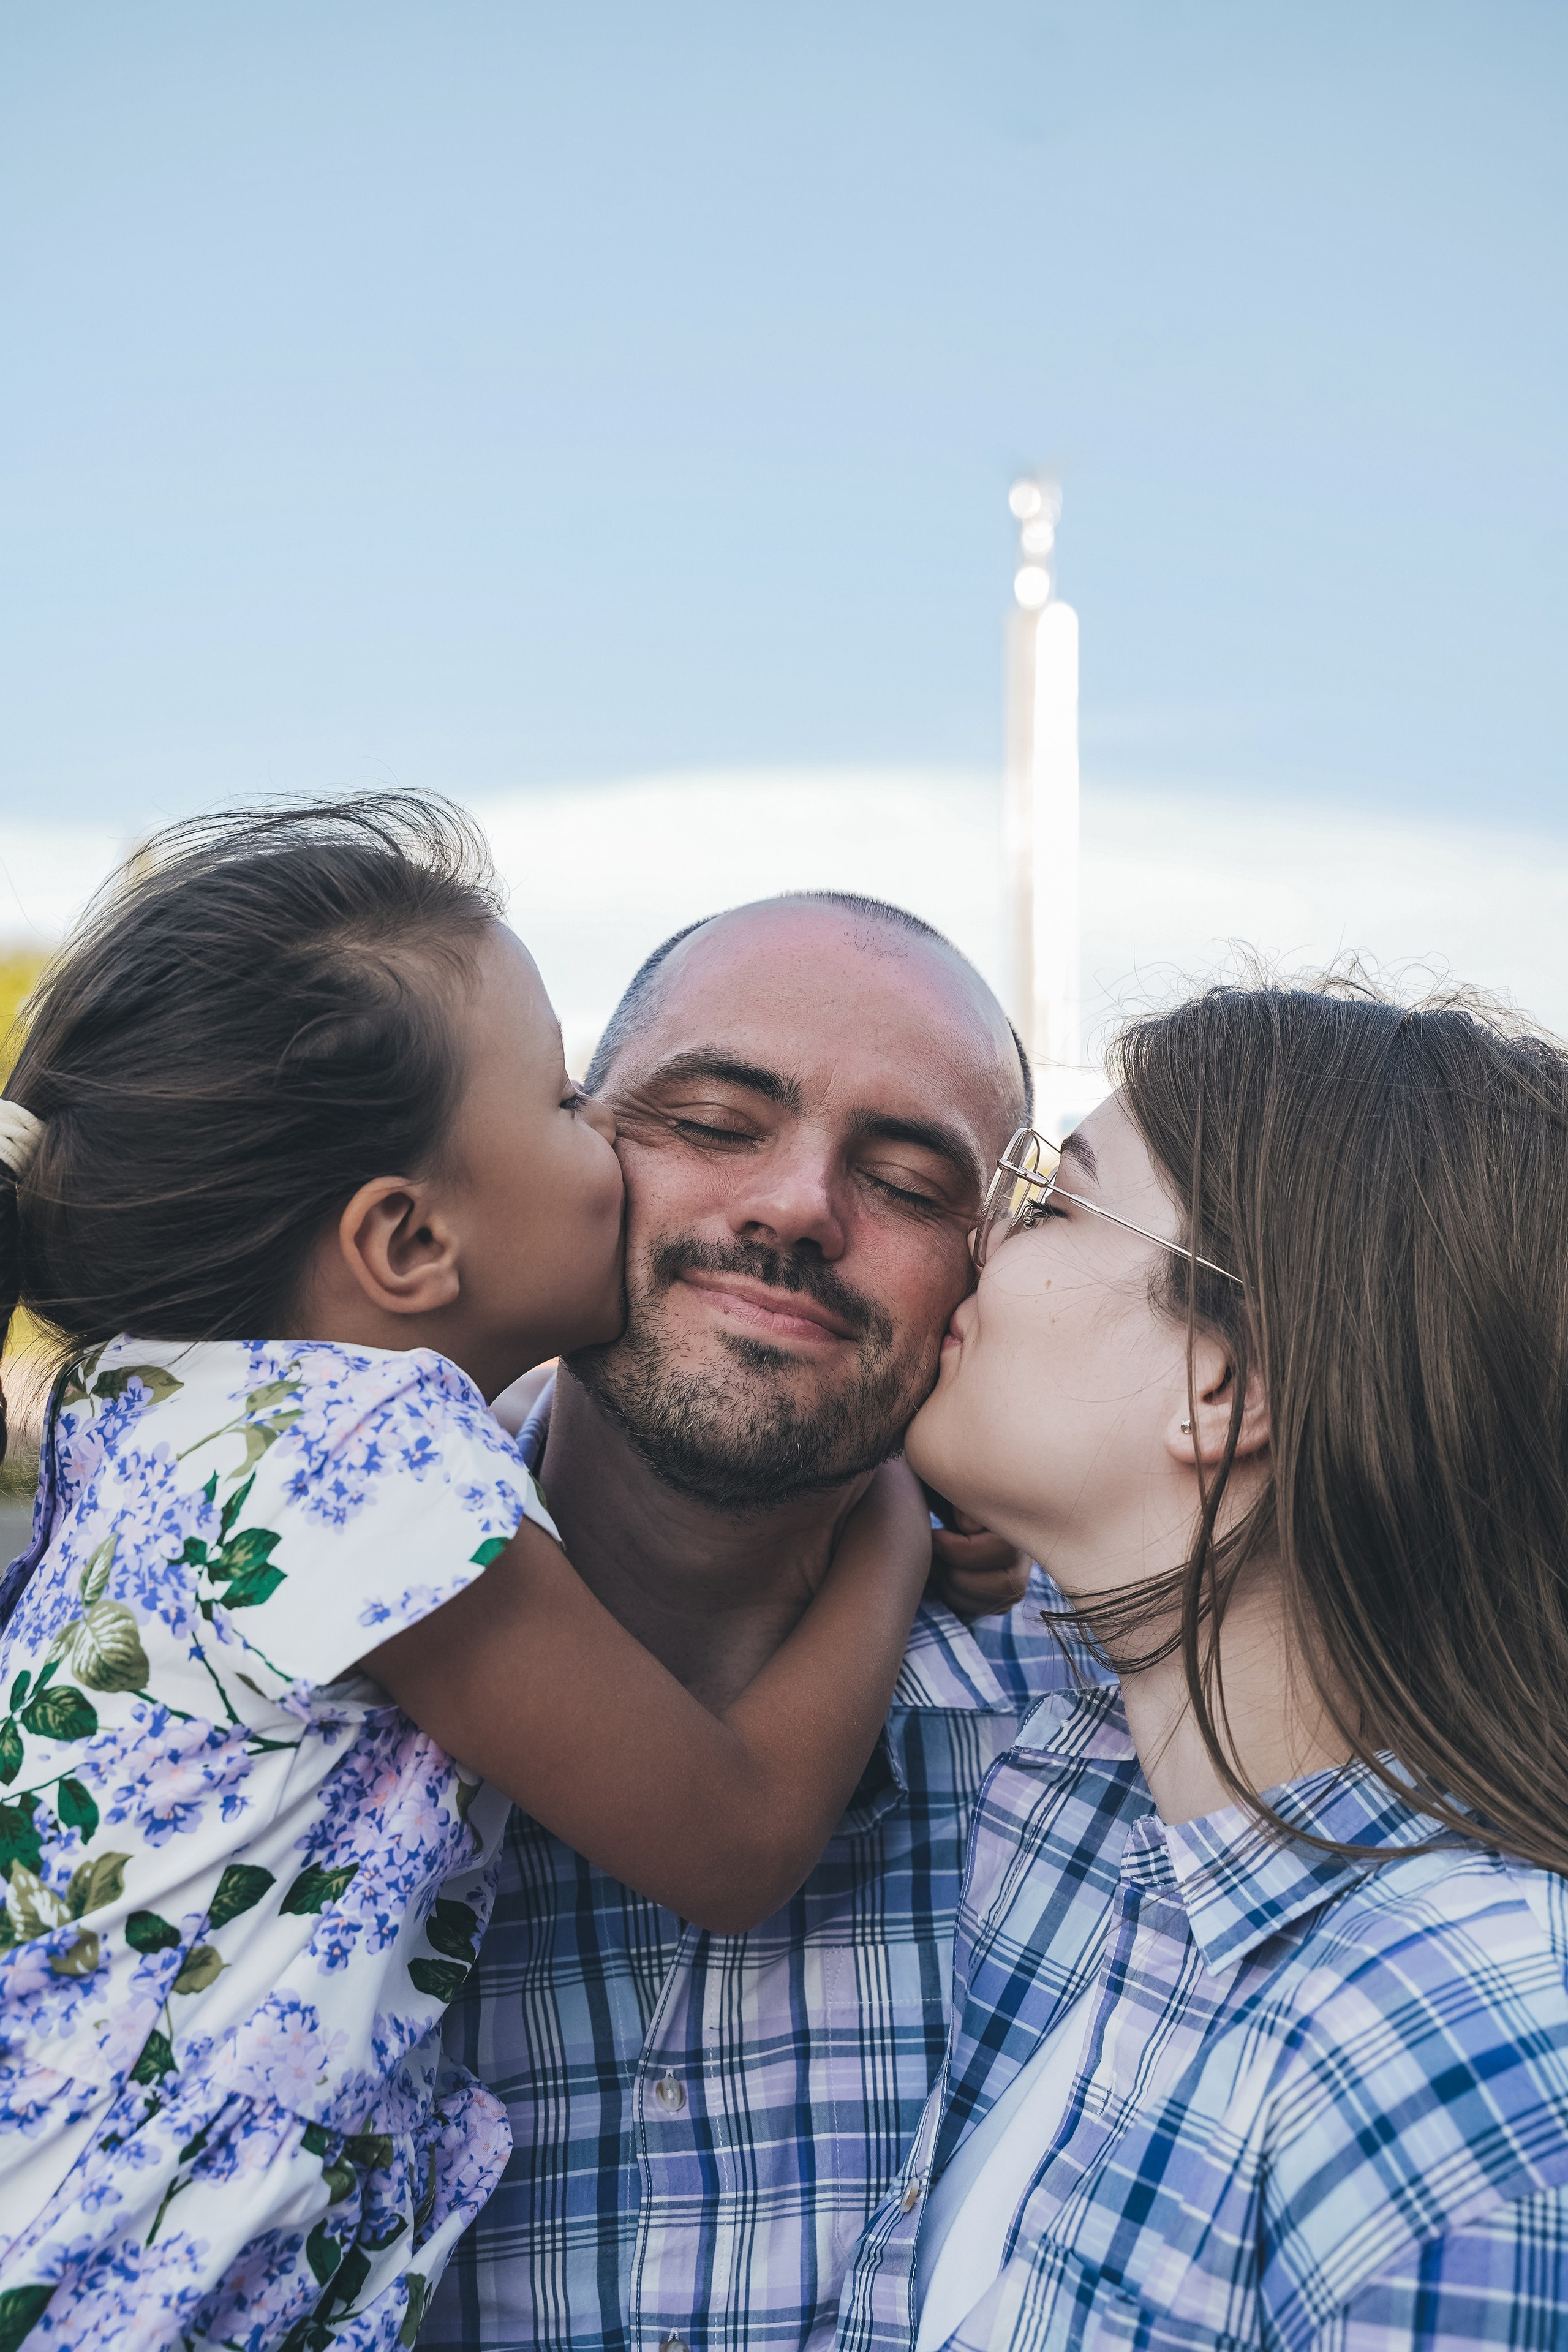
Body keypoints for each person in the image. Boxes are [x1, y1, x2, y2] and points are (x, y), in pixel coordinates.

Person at [0, 797, 943, 2352]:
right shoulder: (364, 1456)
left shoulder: (156, 1412)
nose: (608, 1162)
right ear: (407, 1243)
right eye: (576, 1109)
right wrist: (890, 1508)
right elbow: (734, 1837)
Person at [839, 976, 1568, 2352]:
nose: (974, 1238)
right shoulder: (1093, 1816)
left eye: (1051, 1201)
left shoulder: (1464, 2075)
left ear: (1226, 1387)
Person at [432, 891, 1101, 2352]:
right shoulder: (277, 1682)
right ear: (571, 1140)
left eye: (912, 1182)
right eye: (717, 1121)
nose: (797, 1204)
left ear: (981, 1277)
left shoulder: (1129, 1762)